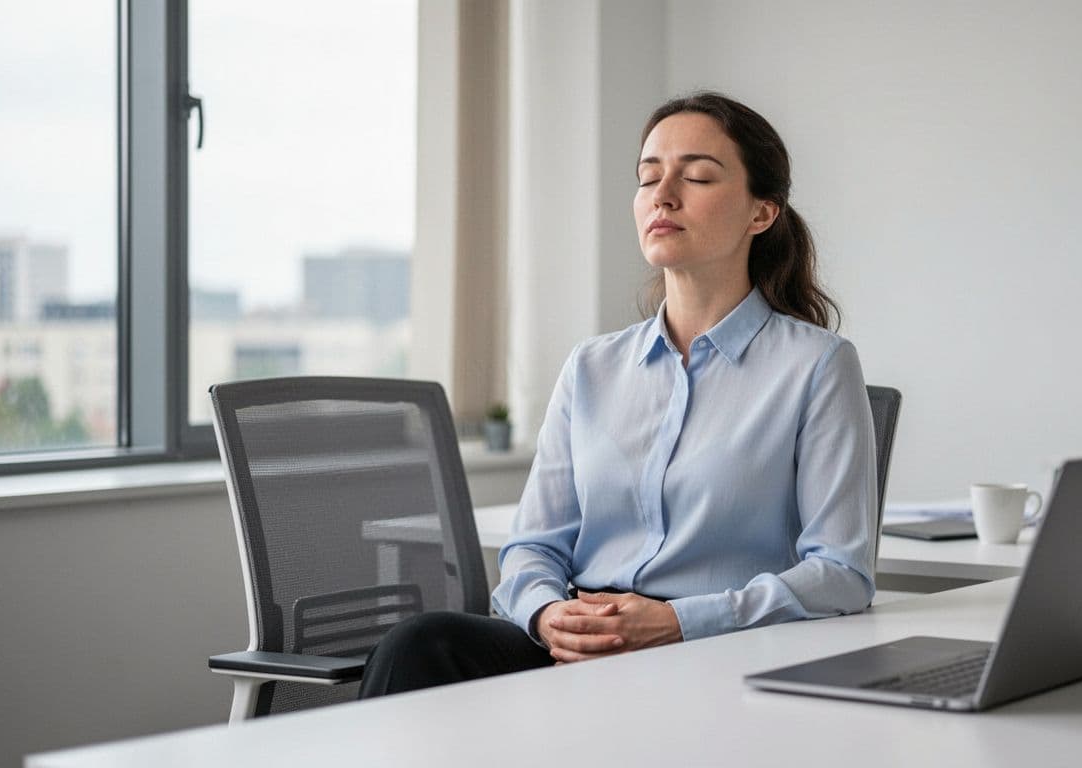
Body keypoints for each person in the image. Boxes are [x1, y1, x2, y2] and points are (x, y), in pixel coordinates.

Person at [358, 92, 876, 697]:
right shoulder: (591, 367)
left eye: (699, 176)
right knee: (419, 645)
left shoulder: (816, 366)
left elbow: (841, 573)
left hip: (712, 651)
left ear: (761, 214)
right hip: (581, 644)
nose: (664, 194)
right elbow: (533, 546)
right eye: (648, 177)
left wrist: (677, 622)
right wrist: (550, 616)